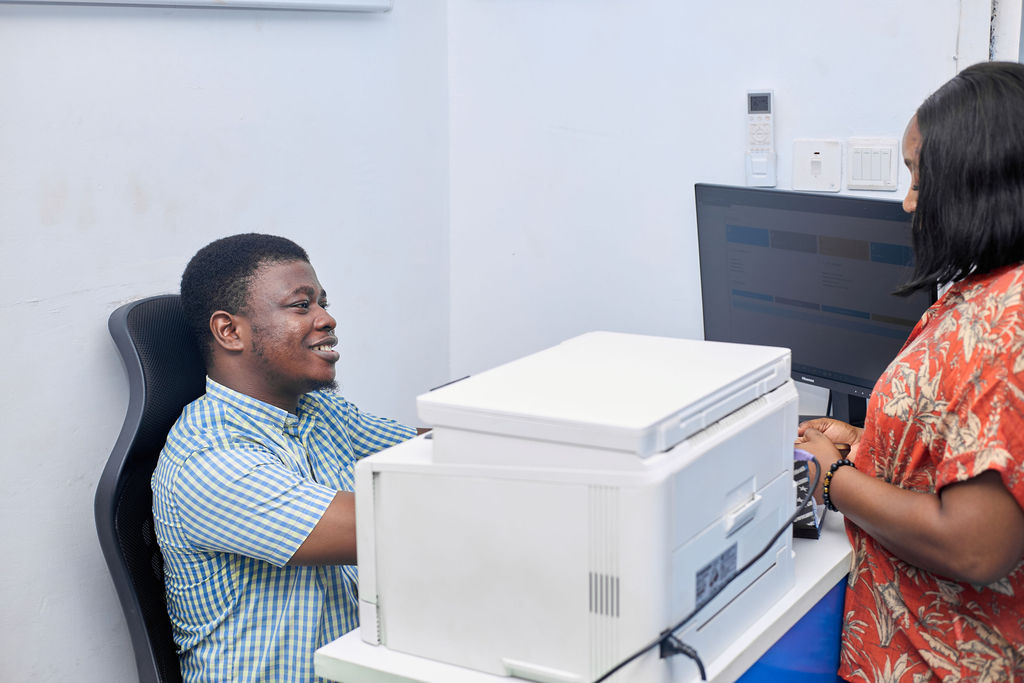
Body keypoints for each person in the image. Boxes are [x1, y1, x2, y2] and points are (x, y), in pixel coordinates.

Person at [797, 61, 1024, 682]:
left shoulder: (1007, 324)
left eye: (921, 176)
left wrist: (834, 477)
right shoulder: (984, 291)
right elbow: (962, 443)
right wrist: (868, 444)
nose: (909, 201)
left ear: (978, 179)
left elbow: (976, 546)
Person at [151, 233, 417, 683]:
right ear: (230, 331)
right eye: (302, 305)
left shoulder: (317, 409)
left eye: (322, 303)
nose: (327, 319)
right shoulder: (210, 459)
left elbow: (428, 451)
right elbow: (390, 527)